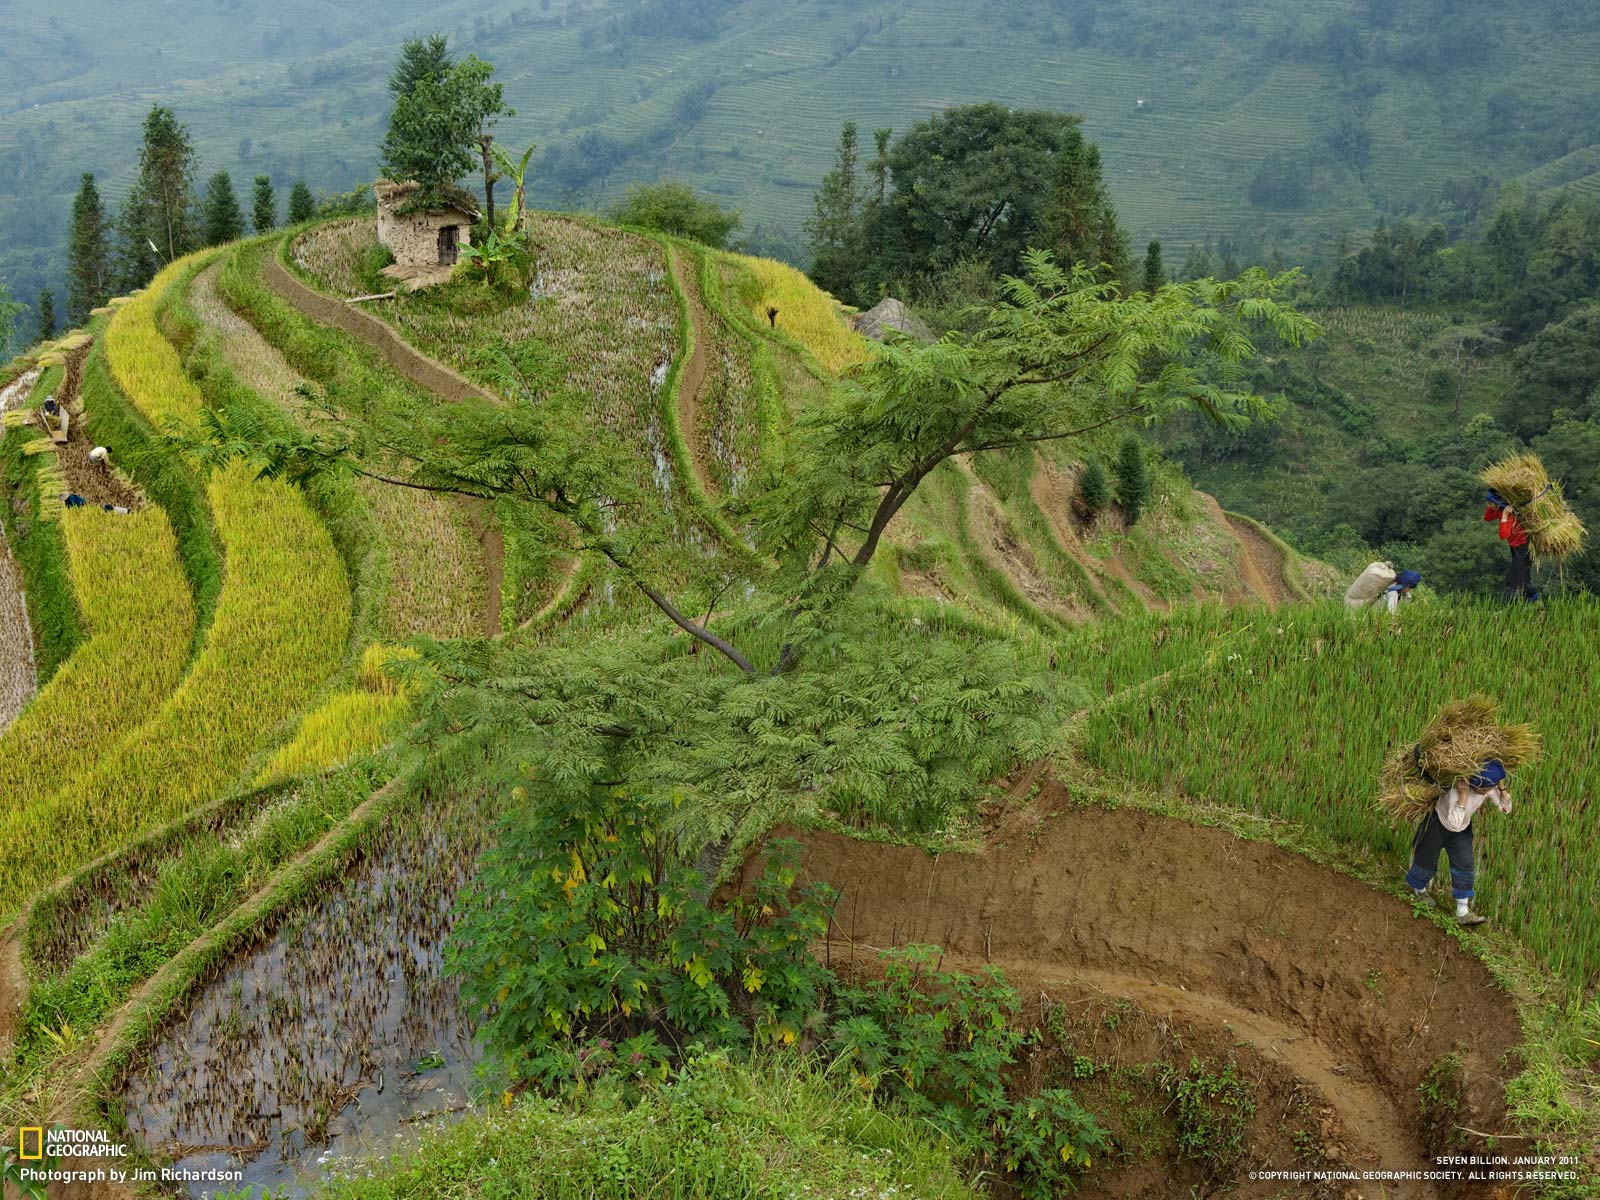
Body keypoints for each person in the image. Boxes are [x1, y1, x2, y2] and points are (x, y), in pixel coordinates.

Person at [1404, 759, 1512, 926]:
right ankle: (1420, 890)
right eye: (1486, 788)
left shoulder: (1486, 788)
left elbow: (1506, 809)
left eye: (1490, 788)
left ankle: (1462, 912)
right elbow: (1454, 822)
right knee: (1426, 858)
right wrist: (1463, 796)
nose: (1488, 791)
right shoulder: (1457, 791)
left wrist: (1501, 788)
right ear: (1476, 785)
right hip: (1438, 824)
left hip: (1462, 830)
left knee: (1464, 864)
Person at [1485, 490, 1537, 602]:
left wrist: (1504, 514)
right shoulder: (1499, 509)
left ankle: (1514, 604)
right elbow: (1487, 517)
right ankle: (1531, 601)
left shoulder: (1510, 515)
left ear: (1497, 503)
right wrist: (1496, 506)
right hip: (1514, 546)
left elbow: (1503, 535)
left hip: (1524, 546)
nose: (1488, 505)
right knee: (1523, 575)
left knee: (1517, 577)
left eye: (1490, 503)